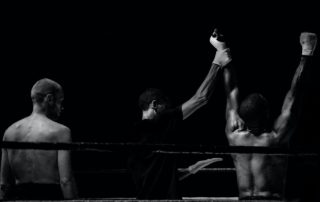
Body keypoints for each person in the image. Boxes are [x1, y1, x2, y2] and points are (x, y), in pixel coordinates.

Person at [127, 29, 231, 199]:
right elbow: (201, 98)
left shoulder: (132, 137)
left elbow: (156, 181)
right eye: (165, 107)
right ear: (155, 105)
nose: (169, 110)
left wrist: (192, 169)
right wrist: (217, 61)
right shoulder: (162, 122)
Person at [221, 30, 317, 200]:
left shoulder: (233, 135)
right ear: (266, 114)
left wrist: (222, 49)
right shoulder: (276, 139)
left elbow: (231, 91)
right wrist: (307, 53)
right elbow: (295, 96)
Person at [0, 78, 78, 200]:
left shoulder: (9, 132)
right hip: (50, 197)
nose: (62, 108)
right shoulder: (61, 132)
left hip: (19, 198)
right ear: (50, 99)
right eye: (60, 102)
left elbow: (4, 183)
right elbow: (65, 180)